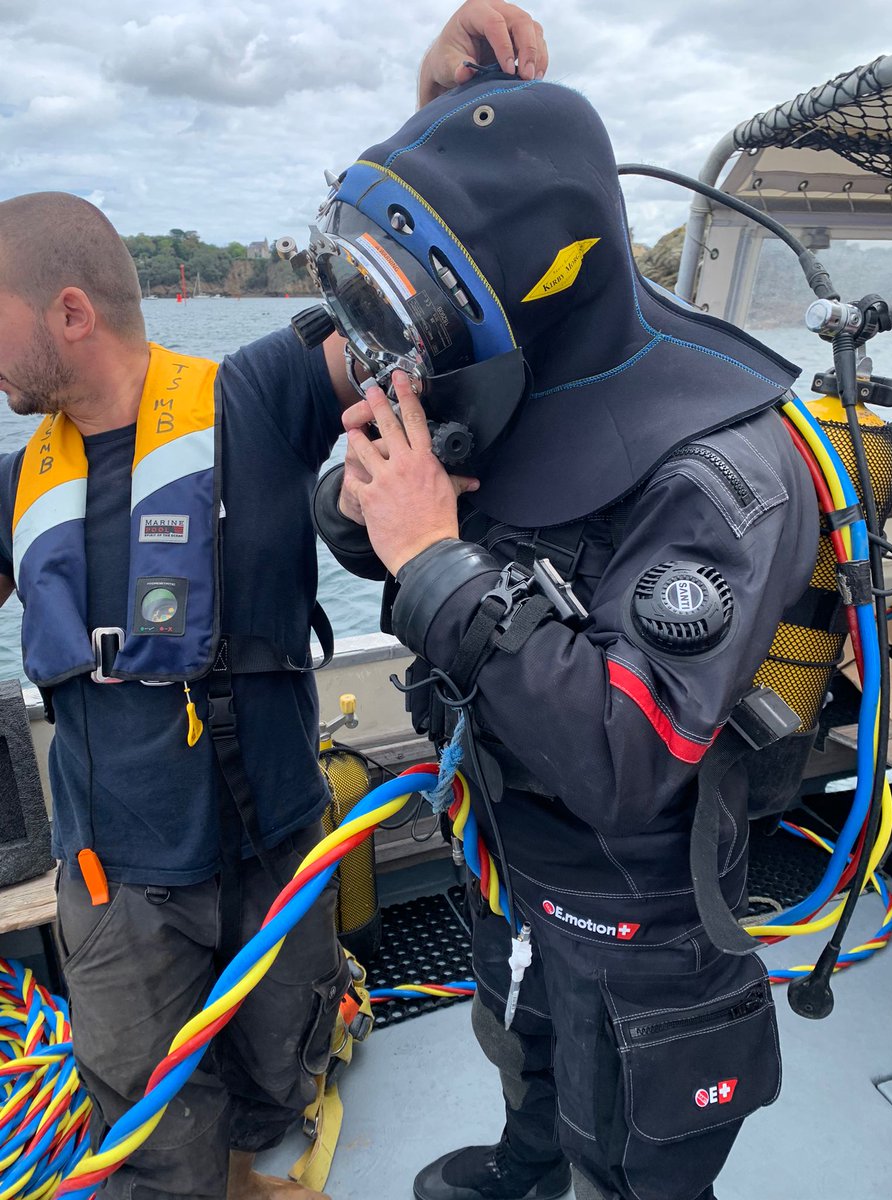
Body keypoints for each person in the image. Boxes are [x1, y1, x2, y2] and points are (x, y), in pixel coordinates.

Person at [0, 7, 549, 1199]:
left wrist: (439, 110)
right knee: (152, 1135)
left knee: (279, 1079)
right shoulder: (17, 478)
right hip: (115, 884)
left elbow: (419, 299)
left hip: (271, 853)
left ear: (67, 312)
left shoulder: (255, 392)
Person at [310, 72, 821, 1200]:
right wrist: (362, 510)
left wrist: (435, 557)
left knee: (629, 1160)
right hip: (507, 852)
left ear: (539, 273)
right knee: (523, 1047)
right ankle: (525, 1162)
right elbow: (402, 529)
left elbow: (625, 755)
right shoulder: (514, 389)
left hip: (641, 916)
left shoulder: (726, 472)